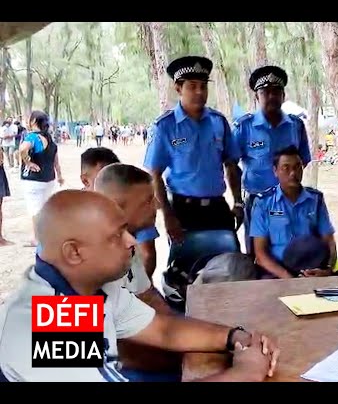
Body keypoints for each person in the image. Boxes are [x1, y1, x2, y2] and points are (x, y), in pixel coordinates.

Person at [0, 190, 279, 382]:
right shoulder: (45, 319)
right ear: (74, 253)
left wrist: (236, 338)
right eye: (115, 236)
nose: (131, 242)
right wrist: (245, 373)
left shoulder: (91, 288)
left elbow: (165, 330)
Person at [93, 163, 182, 381]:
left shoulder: (125, 241)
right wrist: (178, 359)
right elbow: (113, 352)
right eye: (148, 201)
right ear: (116, 206)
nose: (158, 204)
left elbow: (149, 295)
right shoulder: (82, 259)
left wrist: (180, 331)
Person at [143, 56, 243, 247]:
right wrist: (168, 215)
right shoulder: (165, 126)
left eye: (203, 86)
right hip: (183, 210)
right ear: (178, 88)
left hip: (217, 207)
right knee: (186, 269)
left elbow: (231, 164)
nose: (199, 92)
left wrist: (238, 202)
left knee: (229, 264)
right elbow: (154, 174)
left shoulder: (218, 121)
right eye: (192, 86)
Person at [233, 65, 311, 254]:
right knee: (256, 256)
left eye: (276, 92)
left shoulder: (295, 125)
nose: (271, 97)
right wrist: (237, 201)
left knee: (290, 254)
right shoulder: (245, 127)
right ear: (257, 97)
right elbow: (231, 165)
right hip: (256, 202)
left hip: (289, 202)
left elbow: (304, 160)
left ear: (283, 96)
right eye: (265, 92)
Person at [250, 146, 336, 279]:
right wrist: (288, 277)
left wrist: (328, 270)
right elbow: (260, 255)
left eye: (297, 167)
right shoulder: (263, 203)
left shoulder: (315, 200)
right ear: (275, 171)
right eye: (286, 168)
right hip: (277, 272)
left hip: (313, 269)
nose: (293, 173)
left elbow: (329, 241)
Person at [81, 148, 159, 279]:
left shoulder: (127, 244)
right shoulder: (80, 254)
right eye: (148, 201)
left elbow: (146, 292)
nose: (157, 205)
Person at [18, 110, 64, 247]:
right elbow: (56, 162)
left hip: (33, 179)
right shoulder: (51, 140)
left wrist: (28, 162)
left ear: (33, 121)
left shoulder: (32, 137)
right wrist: (60, 176)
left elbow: (22, 149)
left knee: (34, 209)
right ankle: (45, 235)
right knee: (44, 208)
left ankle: (36, 237)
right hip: (49, 179)